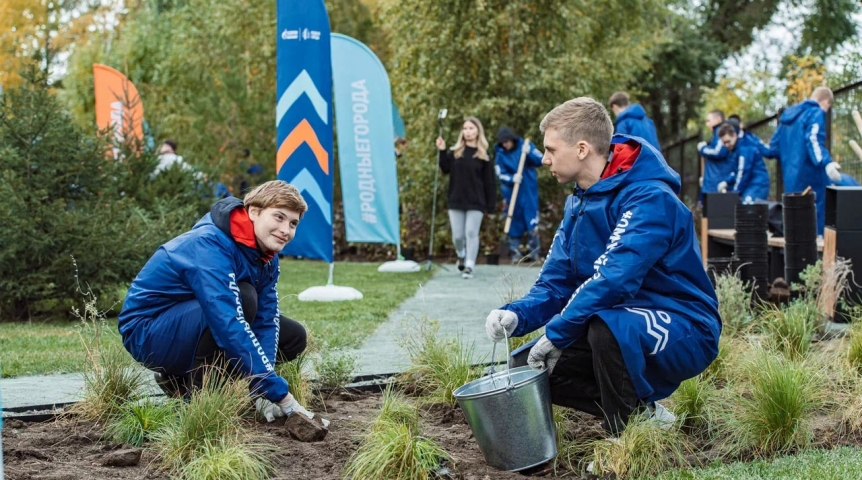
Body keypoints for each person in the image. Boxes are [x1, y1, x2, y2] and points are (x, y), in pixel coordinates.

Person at [484, 98, 720, 458]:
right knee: (528, 366)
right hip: (617, 317)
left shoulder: (649, 197)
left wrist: (558, 331)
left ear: (581, 149)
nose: (544, 159)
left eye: (550, 149)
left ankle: (625, 446)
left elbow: (614, 280)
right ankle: (645, 416)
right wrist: (517, 315)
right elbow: (556, 281)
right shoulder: (579, 201)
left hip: (685, 325)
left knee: (606, 328)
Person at [118, 180, 327, 425]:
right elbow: (227, 321)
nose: (286, 230)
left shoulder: (267, 257)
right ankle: (197, 405)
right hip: (149, 333)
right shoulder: (210, 243)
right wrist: (282, 396)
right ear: (254, 212)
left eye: (293, 223)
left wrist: (263, 387)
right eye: (279, 217)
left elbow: (266, 322)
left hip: (194, 321)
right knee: (244, 299)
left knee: (293, 336)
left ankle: (178, 380)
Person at [768, 87, 843, 234]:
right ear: (826, 102)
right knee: (819, 208)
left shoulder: (787, 118)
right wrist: (826, 162)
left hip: (790, 179)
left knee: (795, 214)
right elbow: (813, 138)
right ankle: (819, 242)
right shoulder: (815, 112)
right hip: (811, 175)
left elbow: (773, 148)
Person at [436, 116, 497, 279]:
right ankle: (461, 255)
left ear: (478, 131)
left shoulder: (484, 155)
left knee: (471, 232)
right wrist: (442, 150)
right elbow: (444, 168)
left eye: (471, 128)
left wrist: (491, 206)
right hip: (456, 199)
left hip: (476, 201)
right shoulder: (456, 152)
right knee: (458, 236)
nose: (468, 131)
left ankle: (470, 264)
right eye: (465, 128)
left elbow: (490, 182)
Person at [494, 126, 544, 263]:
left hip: (528, 193)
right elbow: (500, 174)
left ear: (513, 140)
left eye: (507, 141)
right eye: (503, 143)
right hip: (511, 195)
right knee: (513, 222)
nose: (505, 144)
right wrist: (511, 178)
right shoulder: (500, 154)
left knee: (532, 222)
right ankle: (515, 253)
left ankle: (534, 253)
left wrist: (530, 154)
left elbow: (541, 160)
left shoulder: (526, 146)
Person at [716, 122, 770, 203]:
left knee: (747, 209)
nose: (726, 145)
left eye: (728, 141)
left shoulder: (744, 148)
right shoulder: (736, 150)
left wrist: (735, 193)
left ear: (734, 135)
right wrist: (727, 181)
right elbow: (737, 171)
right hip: (751, 185)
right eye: (724, 143)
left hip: (757, 185)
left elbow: (743, 171)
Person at [697, 110, 732, 194]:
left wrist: (703, 148)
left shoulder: (721, 131)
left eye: (709, 120)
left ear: (718, 119)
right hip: (712, 183)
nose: (707, 124)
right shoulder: (715, 134)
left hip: (717, 183)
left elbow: (719, 152)